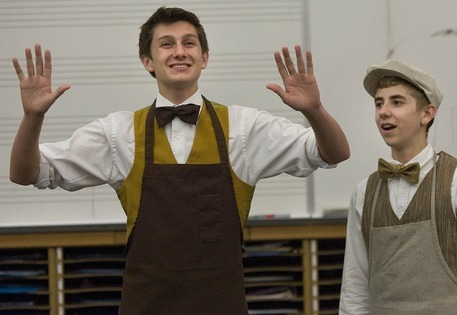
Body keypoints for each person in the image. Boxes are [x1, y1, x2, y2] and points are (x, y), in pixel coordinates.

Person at [10, 6, 350, 315]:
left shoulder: (245, 129)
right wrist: (32, 118)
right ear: (147, 60)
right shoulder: (118, 133)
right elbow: (28, 173)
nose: (179, 51)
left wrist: (314, 110)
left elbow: (333, 153)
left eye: (189, 43)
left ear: (204, 57)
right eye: (166, 44)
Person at [339, 59, 457, 314]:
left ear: (427, 114)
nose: (383, 111)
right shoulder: (364, 192)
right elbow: (354, 287)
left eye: (397, 102)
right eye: (378, 103)